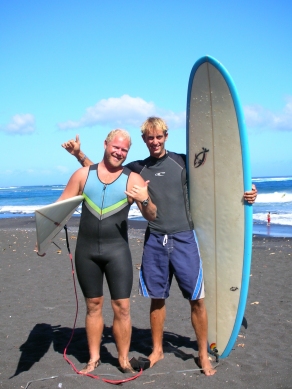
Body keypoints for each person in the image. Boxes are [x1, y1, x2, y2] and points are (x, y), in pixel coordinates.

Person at [62, 118, 258, 376]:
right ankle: (157, 350)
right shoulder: (137, 168)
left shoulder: (183, 162)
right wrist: (79, 155)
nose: (155, 142)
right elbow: (103, 175)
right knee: (157, 298)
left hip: (184, 237)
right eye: (149, 138)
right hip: (155, 238)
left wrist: (247, 190)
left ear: (166, 136)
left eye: (159, 137)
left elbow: (215, 181)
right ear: (144, 141)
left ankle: (202, 354)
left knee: (197, 298)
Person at [39, 129, 157, 375]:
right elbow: (57, 210)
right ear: (105, 144)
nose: (119, 152)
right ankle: (93, 359)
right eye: (116, 147)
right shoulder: (83, 175)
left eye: (124, 150)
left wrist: (145, 200)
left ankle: (123, 359)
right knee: (93, 305)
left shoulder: (132, 179)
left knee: (122, 307)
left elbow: (152, 215)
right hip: (87, 251)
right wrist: (44, 240)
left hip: (118, 252)